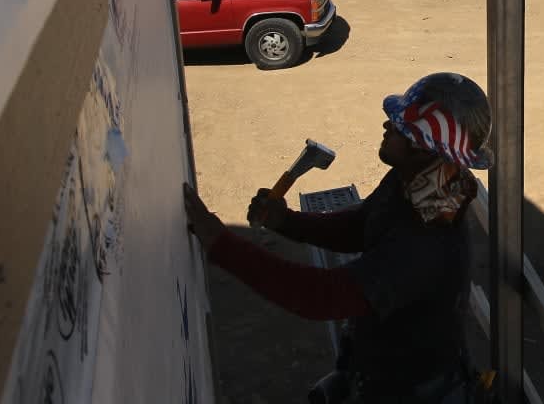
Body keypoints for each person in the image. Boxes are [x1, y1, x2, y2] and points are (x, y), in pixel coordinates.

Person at [182, 73, 492, 404]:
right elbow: (360, 227)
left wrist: (221, 243)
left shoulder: (427, 241)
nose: (387, 125)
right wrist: (286, 221)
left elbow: (322, 296)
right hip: (379, 369)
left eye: (400, 125)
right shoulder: (416, 182)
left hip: (409, 391)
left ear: (422, 146)